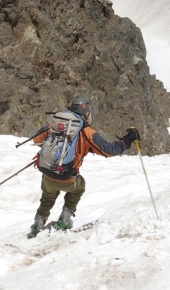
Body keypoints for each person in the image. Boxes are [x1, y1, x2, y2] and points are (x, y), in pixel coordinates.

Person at [28, 96, 140, 237]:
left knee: (47, 197)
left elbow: (37, 139)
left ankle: (37, 226)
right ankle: (65, 219)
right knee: (79, 187)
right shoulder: (86, 132)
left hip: (47, 174)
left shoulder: (56, 125)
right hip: (67, 178)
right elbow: (109, 150)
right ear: (86, 113)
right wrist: (128, 139)